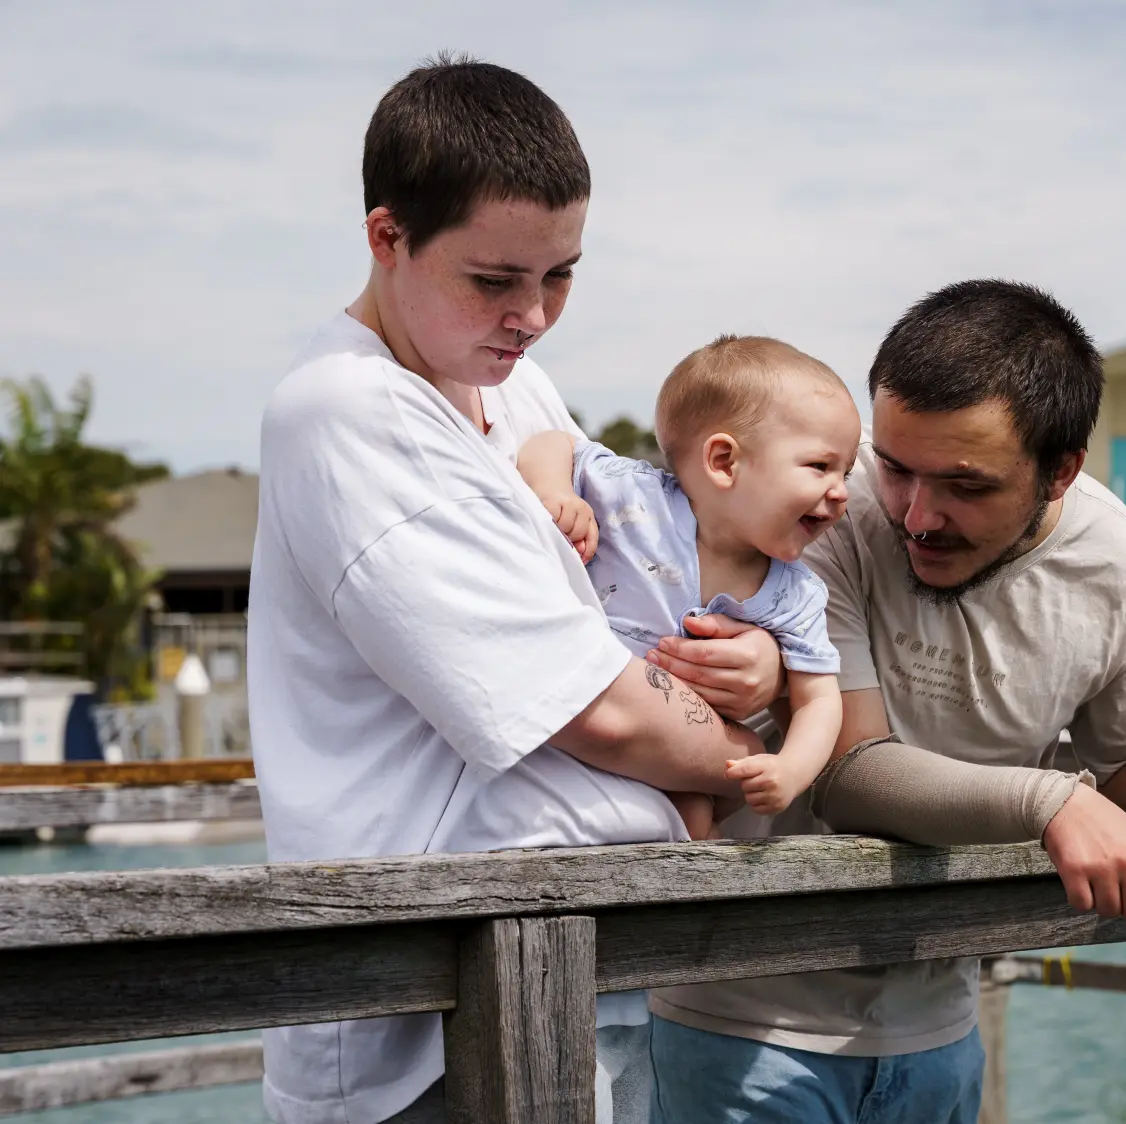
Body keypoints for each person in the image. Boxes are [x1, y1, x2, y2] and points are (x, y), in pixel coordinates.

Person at [247, 56, 786, 1124]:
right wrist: (758, 735)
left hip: (576, 960)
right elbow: (602, 710)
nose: (533, 315)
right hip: (426, 1016)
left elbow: (655, 585)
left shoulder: (517, 386)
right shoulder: (347, 410)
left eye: (561, 275)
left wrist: (761, 657)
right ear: (387, 236)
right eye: (494, 280)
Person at [646, 280, 1126, 1124]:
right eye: (896, 468)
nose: (918, 515)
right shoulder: (820, 507)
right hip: (737, 1017)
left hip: (942, 1029)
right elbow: (848, 770)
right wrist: (1052, 800)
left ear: (1061, 471)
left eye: (966, 485)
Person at [518, 335, 862, 835]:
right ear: (724, 462)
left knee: (696, 818)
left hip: (676, 753)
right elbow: (553, 443)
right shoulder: (635, 500)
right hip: (572, 720)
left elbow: (819, 701)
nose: (841, 491)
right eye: (820, 466)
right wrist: (553, 490)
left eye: (846, 472)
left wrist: (791, 769)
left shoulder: (794, 595)